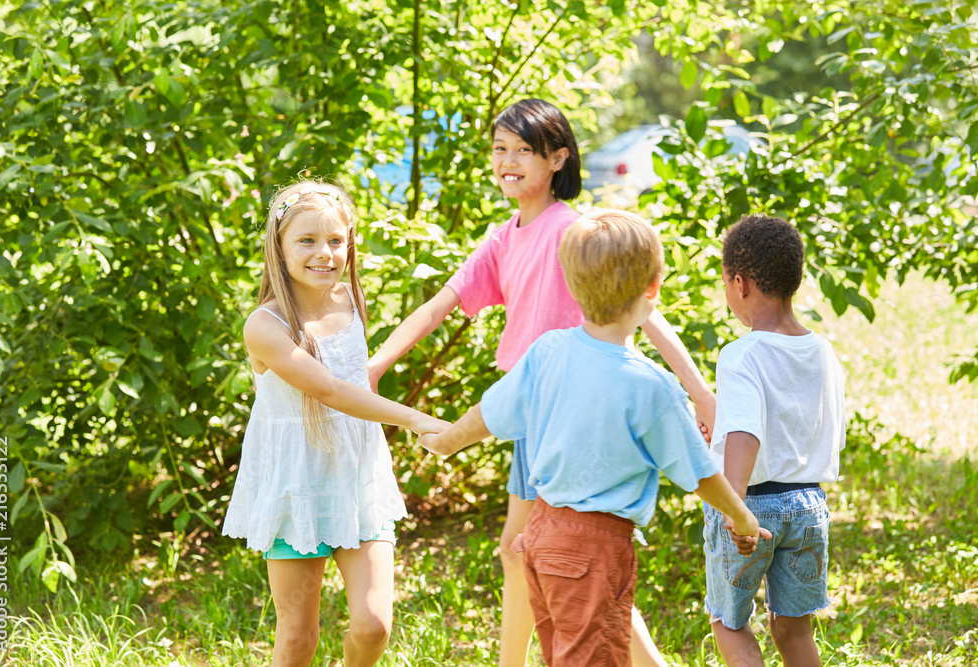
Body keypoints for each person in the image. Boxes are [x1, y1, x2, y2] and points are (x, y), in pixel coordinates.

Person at [368, 98, 715, 667]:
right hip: (534, 412)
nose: (507, 162)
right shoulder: (505, 236)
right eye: (499, 150)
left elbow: (647, 313)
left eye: (522, 151)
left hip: (571, 413)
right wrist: (377, 365)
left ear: (557, 159)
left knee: (548, 552)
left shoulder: (574, 232)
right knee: (530, 551)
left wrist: (700, 393)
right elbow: (438, 306)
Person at [417, 209, 769, 666]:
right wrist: (741, 517)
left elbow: (490, 412)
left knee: (567, 653)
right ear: (653, 290)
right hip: (594, 546)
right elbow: (699, 473)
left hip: (540, 533)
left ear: (571, 283)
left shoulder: (547, 352)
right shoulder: (651, 386)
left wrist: (445, 442)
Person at [222, 180, 448, 667]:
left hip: (357, 479)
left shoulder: (347, 300)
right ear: (278, 247)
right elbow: (331, 390)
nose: (324, 253)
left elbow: (355, 378)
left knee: (373, 626)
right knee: (299, 637)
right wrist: (418, 420)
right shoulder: (265, 326)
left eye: (336, 241)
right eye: (306, 240)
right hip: (296, 483)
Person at [705, 214, 846, 667]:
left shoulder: (742, 353)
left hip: (752, 507)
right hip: (809, 506)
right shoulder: (822, 350)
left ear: (740, 283)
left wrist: (734, 507)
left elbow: (746, 430)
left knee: (729, 623)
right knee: (792, 626)